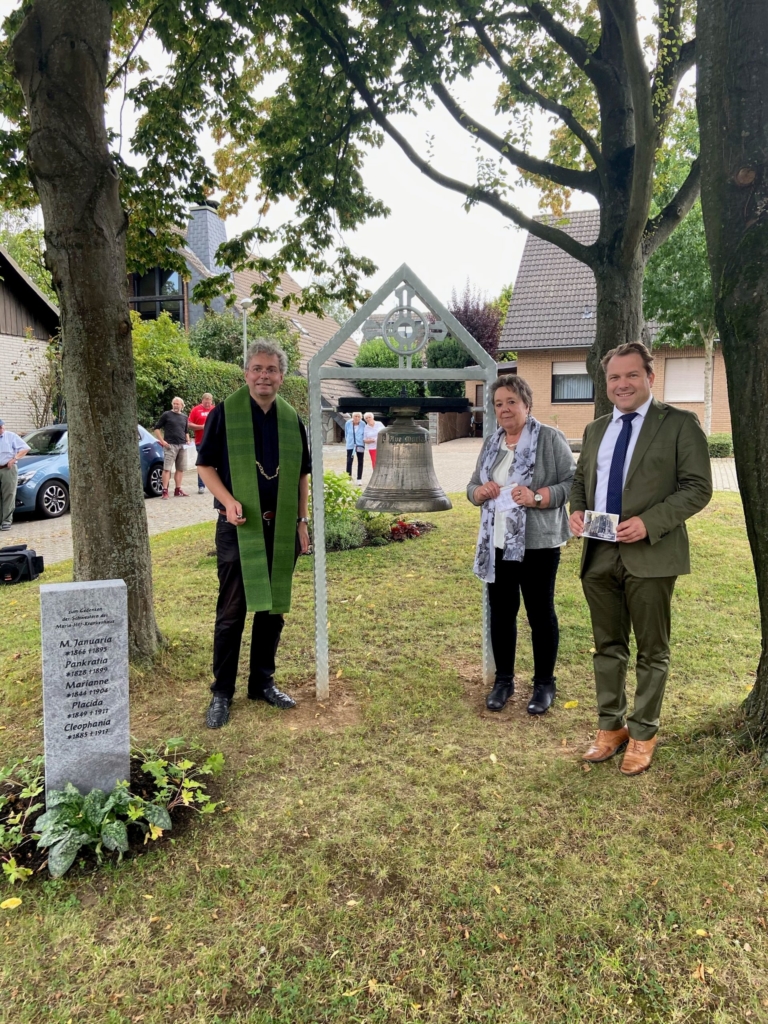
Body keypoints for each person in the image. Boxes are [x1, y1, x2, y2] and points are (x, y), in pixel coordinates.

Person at [569, 341, 712, 775]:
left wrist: (650, 522)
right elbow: (581, 480)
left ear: (650, 377)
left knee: (652, 650)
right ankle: (610, 727)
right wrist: (576, 509)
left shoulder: (679, 425)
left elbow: (697, 487)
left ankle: (644, 732)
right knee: (607, 646)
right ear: (606, 382)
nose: (622, 383)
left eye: (632, 375)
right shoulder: (595, 430)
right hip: (599, 556)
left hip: (650, 555)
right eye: (614, 377)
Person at [196, 340, 311, 728]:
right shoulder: (225, 414)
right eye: (257, 369)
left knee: (274, 606)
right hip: (236, 527)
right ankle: (221, 692)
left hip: (280, 526)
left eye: (272, 370)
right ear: (246, 374)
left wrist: (301, 521)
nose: (264, 375)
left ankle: (261, 682)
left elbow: (300, 475)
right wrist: (227, 500)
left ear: (281, 376)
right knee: (232, 611)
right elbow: (205, 466)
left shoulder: (292, 418)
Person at [467, 375, 575, 715]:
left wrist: (538, 496)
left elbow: (572, 482)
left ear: (527, 405)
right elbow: (472, 485)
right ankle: (504, 680)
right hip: (496, 544)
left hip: (538, 545)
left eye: (511, 402)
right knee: (501, 614)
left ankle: (544, 683)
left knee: (540, 614)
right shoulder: (492, 443)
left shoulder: (550, 439)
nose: (504, 409)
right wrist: (479, 493)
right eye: (498, 404)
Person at [154, 397, 191, 498]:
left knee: (180, 469)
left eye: (177, 404)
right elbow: (156, 428)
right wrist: (162, 441)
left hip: (182, 446)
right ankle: (165, 490)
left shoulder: (184, 417)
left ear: (182, 406)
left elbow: (186, 431)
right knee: (167, 469)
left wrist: (188, 440)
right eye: (174, 404)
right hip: (170, 446)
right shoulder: (167, 415)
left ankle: (178, 489)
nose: (175, 406)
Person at [0, 419, 30, 531]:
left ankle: (6, 521)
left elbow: (25, 448)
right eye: (0, 428)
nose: (2, 429)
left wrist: (14, 459)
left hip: (8, 469)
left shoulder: (11, 436)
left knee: (8, 495)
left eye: (2, 427)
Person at [188, 393, 215, 493]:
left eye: (209, 401)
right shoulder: (196, 410)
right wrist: (202, 427)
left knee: (215, 463)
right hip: (201, 441)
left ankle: (215, 486)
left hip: (214, 441)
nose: (208, 403)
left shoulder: (214, 409)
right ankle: (201, 485)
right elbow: (189, 424)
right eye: (206, 401)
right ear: (202, 400)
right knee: (202, 463)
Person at [344, 412, 365, 481]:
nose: (357, 418)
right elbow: (346, 433)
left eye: (359, 416)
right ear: (352, 417)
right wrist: (349, 441)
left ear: (361, 417)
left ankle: (359, 479)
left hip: (360, 445)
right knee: (349, 461)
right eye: (355, 416)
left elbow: (364, 434)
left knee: (360, 461)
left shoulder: (363, 424)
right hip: (351, 445)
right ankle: (348, 478)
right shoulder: (348, 423)